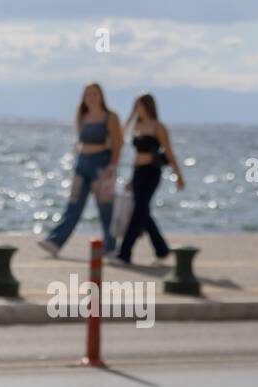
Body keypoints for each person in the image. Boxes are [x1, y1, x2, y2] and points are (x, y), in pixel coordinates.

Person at [38, 83, 122, 258]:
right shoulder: (82, 116)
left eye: (94, 94)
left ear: (101, 96)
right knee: (73, 204)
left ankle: (111, 247)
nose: (91, 98)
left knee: (106, 208)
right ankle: (55, 241)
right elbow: (79, 140)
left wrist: (112, 167)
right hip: (82, 163)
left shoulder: (110, 117)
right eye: (87, 94)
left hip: (102, 164)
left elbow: (118, 143)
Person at [113, 93, 185, 265]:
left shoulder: (158, 127)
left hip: (151, 173)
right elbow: (120, 136)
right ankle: (161, 250)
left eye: (140, 106)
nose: (138, 109)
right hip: (137, 172)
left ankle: (125, 253)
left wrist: (178, 176)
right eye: (136, 106)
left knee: (140, 210)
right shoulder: (137, 125)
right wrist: (130, 117)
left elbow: (169, 152)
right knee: (143, 213)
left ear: (149, 106)